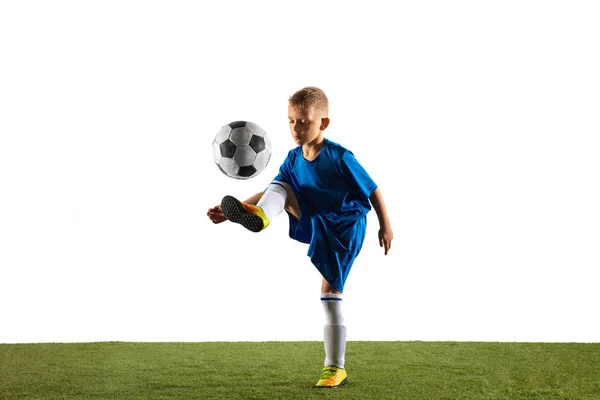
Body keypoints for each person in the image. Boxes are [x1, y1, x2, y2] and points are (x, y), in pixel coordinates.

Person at [207, 86, 393, 388]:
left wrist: (386, 226)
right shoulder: (294, 157)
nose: (296, 128)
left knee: (330, 297)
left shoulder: (340, 157)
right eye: (291, 121)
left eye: (304, 121)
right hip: (315, 219)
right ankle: (262, 217)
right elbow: (273, 190)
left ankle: (336, 368)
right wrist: (233, 211)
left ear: (323, 124)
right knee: (280, 186)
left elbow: (372, 189)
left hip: (344, 228)